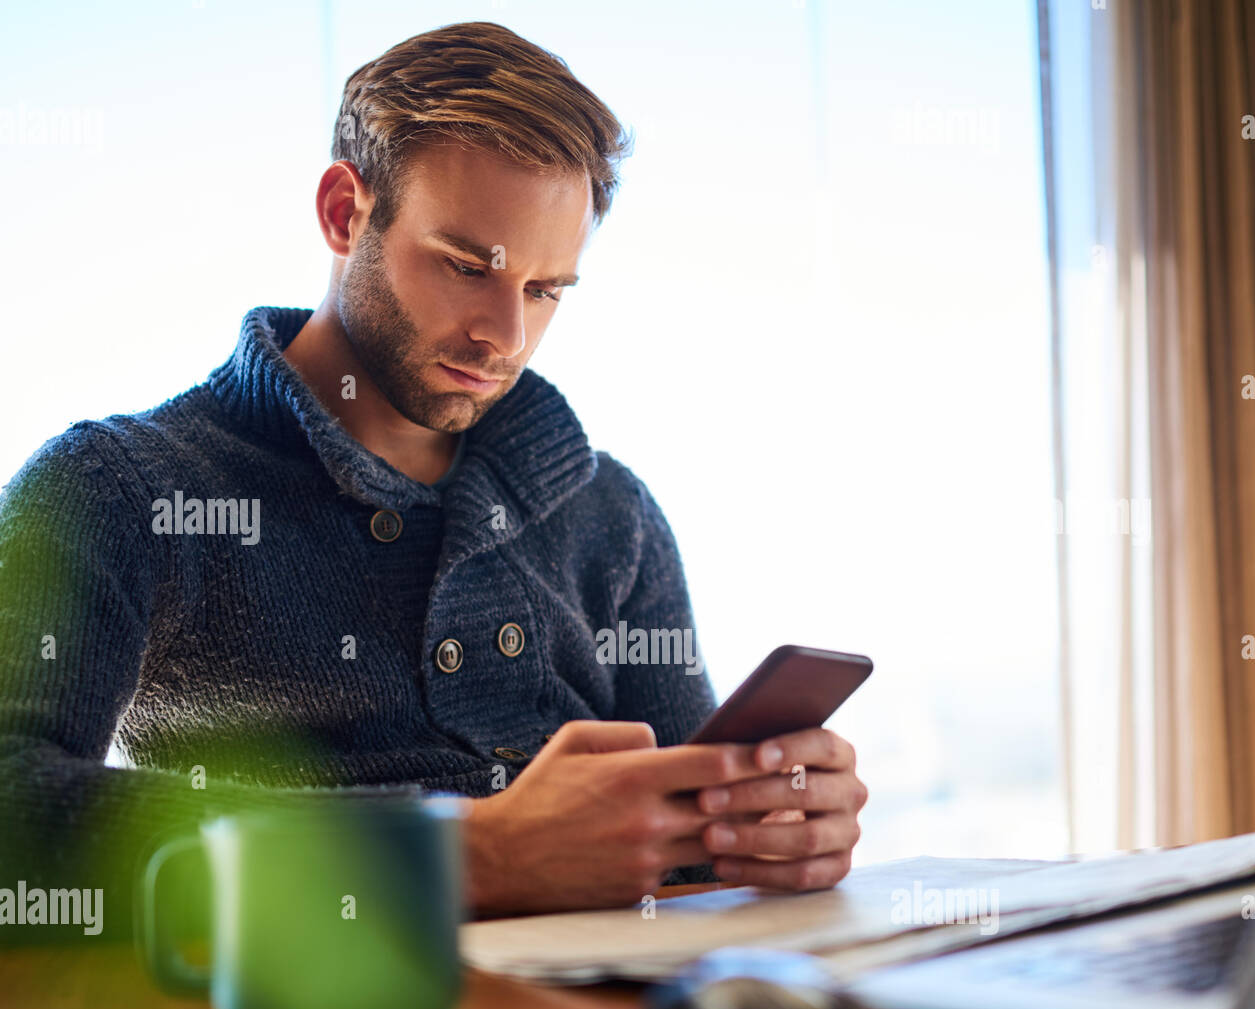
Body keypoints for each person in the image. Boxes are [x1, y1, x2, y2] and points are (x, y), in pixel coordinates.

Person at [0, 22, 866, 937]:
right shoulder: (115, 489)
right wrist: (469, 852)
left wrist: (769, 828)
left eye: (545, 291)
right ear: (344, 213)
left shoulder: (613, 515)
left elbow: (687, 839)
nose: (508, 337)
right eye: (466, 267)